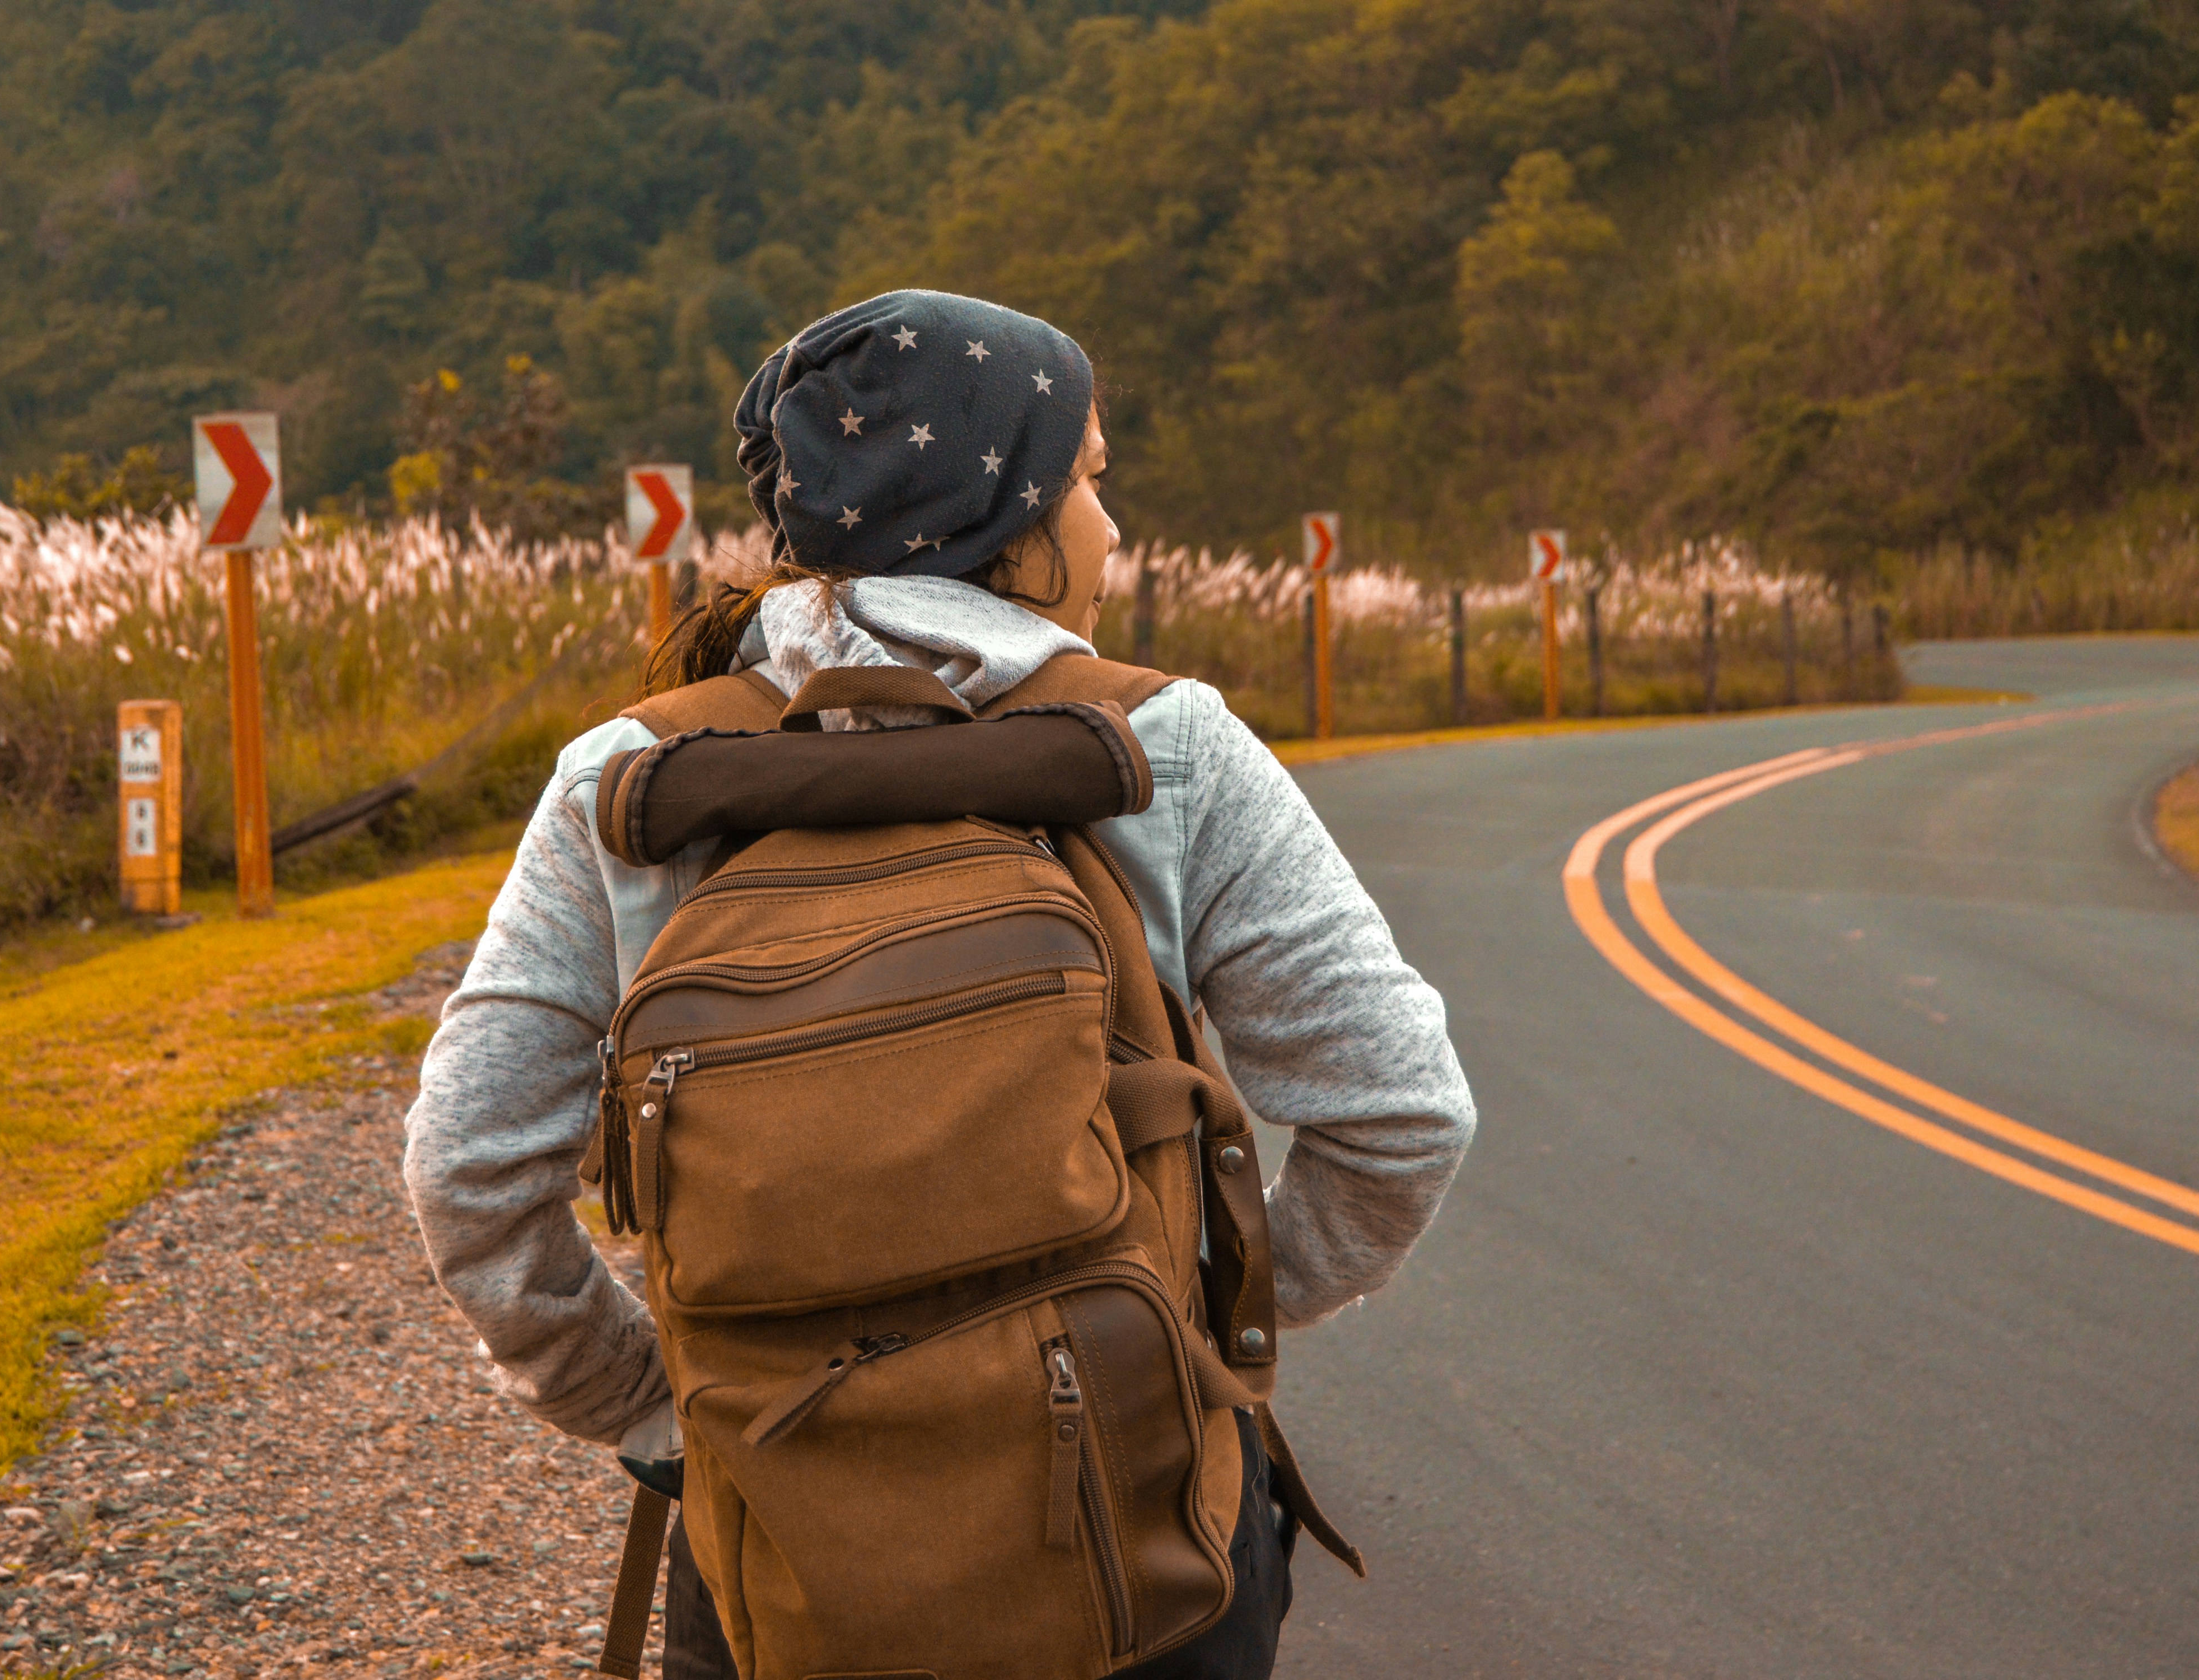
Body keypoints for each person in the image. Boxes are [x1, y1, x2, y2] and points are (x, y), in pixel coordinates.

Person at [401, 290, 1476, 1677]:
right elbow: (1401, 1113)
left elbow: (468, 1171)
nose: (1112, 527)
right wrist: (1197, 1332)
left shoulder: (629, 783)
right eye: (1089, 480)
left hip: (780, 1546)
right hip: (1137, 1543)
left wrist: (659, 1406)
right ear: (1006, 518)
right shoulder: (1168, 747)